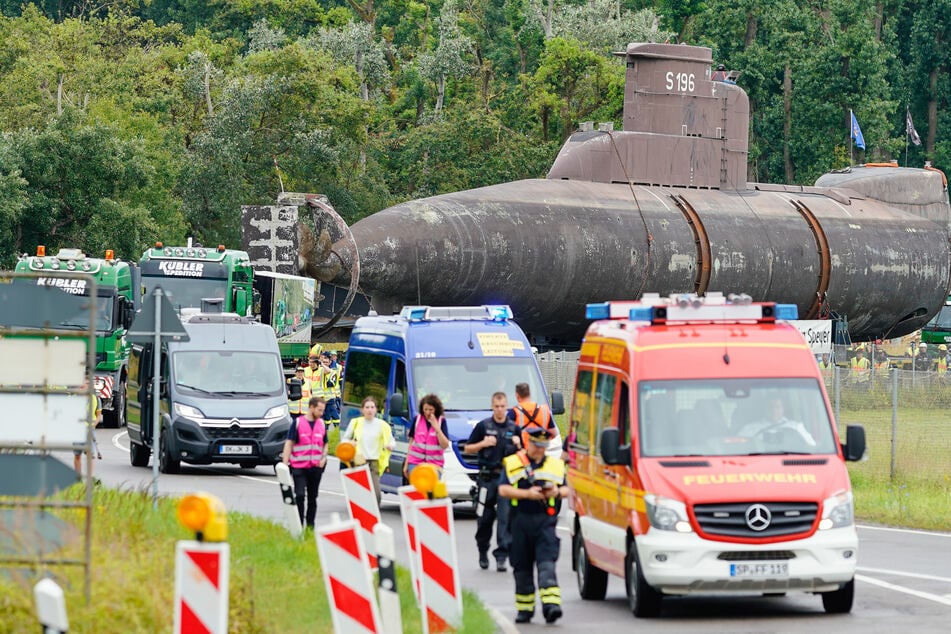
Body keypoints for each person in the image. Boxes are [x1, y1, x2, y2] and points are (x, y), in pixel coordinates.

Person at [498, 423, 567, 624]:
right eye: (537, 445)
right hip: (520, 521)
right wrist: (527, 494)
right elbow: (503, 490)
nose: (540, 450)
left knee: (547, 565)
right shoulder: (512, 463)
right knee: (521, 568)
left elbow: (568, 490)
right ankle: (525, 609)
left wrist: (556, 491)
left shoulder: (555, 466)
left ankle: (552, 607)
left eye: (543, 446)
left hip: (545, 522)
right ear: (529, 443)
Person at [464, 392, 521, 572]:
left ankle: (502, 556)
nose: (499, 410)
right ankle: (482, 551)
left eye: (502, 406)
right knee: (484, 519)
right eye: (496, 406)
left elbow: (524, 456)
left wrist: (519, 445)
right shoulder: (483, 426)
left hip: (506, 479)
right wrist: (483, 444)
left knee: (505, 518)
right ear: (492, 407)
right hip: (487, 478)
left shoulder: (514, 428)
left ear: (507, 407)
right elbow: (468, 448)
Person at [282, 396, 328, 529]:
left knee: (313, 498)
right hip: (299, 467)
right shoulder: (297, 423)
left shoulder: (321, 424)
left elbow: (325, 444)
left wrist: (323, 458)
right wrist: (285, 464)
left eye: (323, 410)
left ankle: (310, 527)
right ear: (311, 408)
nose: (321, 413)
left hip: (316, 468)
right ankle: (299, 525)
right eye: (319, 410)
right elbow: (289, 443)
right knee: (300, 495)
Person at [342, 396, 395, 508]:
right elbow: (345, 439)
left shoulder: (382, 425)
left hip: (374, 462)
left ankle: (373, 515)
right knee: (360, 492)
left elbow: (391, 441)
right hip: (358, 461)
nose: (370, 410)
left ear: (376, 409)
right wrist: (350, 443)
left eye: (372, 407)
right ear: (362, 410)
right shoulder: (356, 422)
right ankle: (359, 514)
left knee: (376, 494)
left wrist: (390, 446)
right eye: (367, 407)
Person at [404, 393, 450, 479]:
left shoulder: (441, 421)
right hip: (415, 462)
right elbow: (411, 443)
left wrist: (437, 429)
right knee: (417, 488)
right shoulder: (417, 419)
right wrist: (406, 464)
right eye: (425, 409)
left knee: (430, 489)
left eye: (431, 409)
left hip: (434, 464)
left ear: (436, 409)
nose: (428, 412)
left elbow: (445, 445)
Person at [737, 398, 816, 447]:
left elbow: (811, 446)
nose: (774, 410)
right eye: (770, 407)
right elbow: (739, 449)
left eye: (777, 407)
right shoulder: (750, 428)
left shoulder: (796, 427)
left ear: (783, 409)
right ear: (764, 408)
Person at [74, 380, 103, 479]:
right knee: (77, 455)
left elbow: (98, 416)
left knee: (90, 455)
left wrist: (94, 425)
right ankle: (78, 477)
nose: (83, 385)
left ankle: (91, 477)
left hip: (90, 431)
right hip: (77, 431)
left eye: (86, 383)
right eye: (82, 383)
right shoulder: (74, 398)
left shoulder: (95, 399)